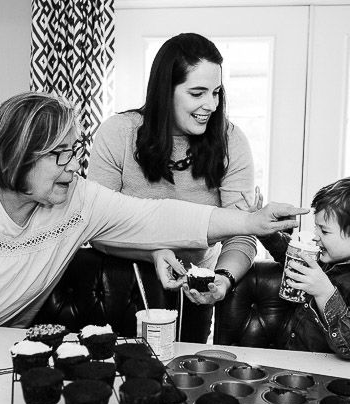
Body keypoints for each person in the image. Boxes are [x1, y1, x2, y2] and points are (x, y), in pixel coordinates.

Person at [0, 92, 306, 404]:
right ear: (16, 155)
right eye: (61, 155)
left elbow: (156, 216)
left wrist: (249, 221)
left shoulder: (77, 199)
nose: (75, 166)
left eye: (77, 151)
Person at [89, 33, 256, 343]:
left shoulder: (231, 140)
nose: (211, 105)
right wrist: (153, 251)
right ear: (165, 91)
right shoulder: (118, 133)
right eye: (197, 93)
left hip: (195, 290)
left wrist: (223, 278)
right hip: (124, 285)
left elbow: (241, 232)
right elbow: (95, 225)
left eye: (216, 92)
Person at [245, 175, 350, 360]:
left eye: (324, 231)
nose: (316, 236)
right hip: (295, 364)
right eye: (317, 228)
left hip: (333, 379)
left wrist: (325, 293)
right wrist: (262, 228)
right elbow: (289, 254)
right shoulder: (327, 259)